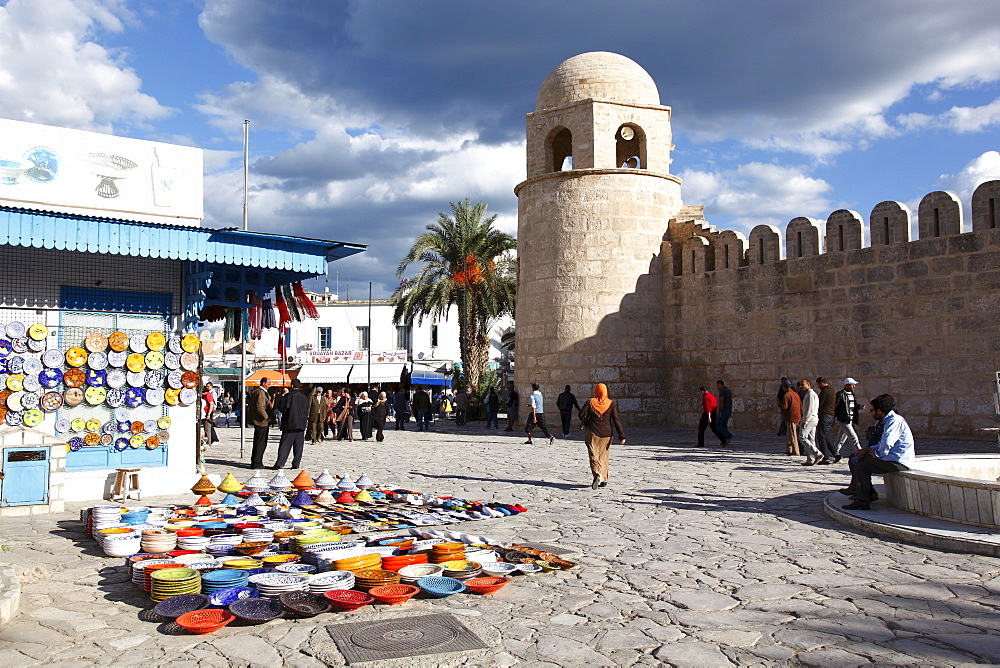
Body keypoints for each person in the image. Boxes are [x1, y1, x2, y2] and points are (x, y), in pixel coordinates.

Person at [842, 394, 915, 510]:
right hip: (893, 460)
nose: (871, 413)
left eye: (872, 410)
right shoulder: (889, 420)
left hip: (899, 462)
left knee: (861, 463)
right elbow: (882, 443)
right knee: (861, 461)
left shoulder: (894, 421)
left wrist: (877, 454)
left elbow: (887, 443)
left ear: (879, 411)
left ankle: (862, 498)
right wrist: (869, 449)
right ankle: (863, 495)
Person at [578, 383, 626, 489]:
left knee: (593, 454)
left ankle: (597, 474)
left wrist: (587, 421)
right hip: (607, 434)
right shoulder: (611, 404)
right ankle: (604, 479)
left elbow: (581, 414)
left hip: (592, 432)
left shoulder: (590, 402)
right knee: (604, 456)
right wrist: (621, 435)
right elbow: (616, 420)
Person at [272, 378, 309, 469]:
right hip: (301, 424)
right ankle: (296, 464)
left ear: (292, 386)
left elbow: (283, 408)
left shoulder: (289, 396)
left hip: (290, 423)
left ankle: (280, 463)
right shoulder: (304, 397)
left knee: (285, 445)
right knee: (298, 446)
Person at [835, 377, 864, 458]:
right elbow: (837, 407)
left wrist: (859, 407)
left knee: (841, 438)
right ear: (847, 385)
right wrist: (839, 416)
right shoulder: (840, 394)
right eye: (852, 385)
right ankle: (860, 452)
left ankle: (834, 452)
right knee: (853, 437)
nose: (854, 386)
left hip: (850, 419)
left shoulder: (852, 394)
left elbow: (852, 406)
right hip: (844, 419)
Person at [248, 378, 273, 469]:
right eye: (268, 383)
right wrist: (267, 418)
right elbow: (260, 407)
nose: (270, 385)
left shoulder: (257, 391)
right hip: (261, 421)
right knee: (260, 442)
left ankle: (257, 461)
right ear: (263, 383)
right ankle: (257, 462)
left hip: (259, 421)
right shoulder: (261, 393)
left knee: (259, 442)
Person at [798, 379, 822, 465]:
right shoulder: (809, 394)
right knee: (811, 439)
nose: (801, 386)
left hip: (810, 419)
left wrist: (805, 421)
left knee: (802, 437)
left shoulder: (811, 395)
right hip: (812, 419)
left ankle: (817, 453)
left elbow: (809, 409)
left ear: (808, 385)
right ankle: (810, 459)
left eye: (803, 384)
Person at [815, 377, 838, 464]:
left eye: (818, 384)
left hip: (825, 415)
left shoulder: (824, 391)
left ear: (822, 383)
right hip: (831, 415)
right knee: (825, 435)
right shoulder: (832, 390)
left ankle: (826, 457)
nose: (818, 387)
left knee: (821, 436)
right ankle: (836, 454)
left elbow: (820, 404)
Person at [780, 379, 802, 455]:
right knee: (790, 434)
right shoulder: (796, 394)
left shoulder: (787, 395)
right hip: (798, 416)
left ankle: (796, 451)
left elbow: (785, 406)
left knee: (793, 435)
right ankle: (789, 449)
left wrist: (780, 405)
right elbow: (800, 405)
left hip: (791, 417)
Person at [715, 380, 734, 445]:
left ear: (720, 384)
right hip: (728, 410)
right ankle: (725, 440)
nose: (717, 387)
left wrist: (719, 411)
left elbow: (721, 401)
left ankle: (729, 436)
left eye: (717, 385)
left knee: (718, 425)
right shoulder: (728, 390)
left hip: (723, 411)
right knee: (724, 425)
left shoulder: (722, 391)